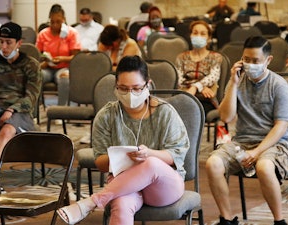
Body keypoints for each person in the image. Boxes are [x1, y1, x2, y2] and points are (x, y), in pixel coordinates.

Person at [56, 55, 189, 225]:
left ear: (148, 85)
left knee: (151, 163)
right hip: (123, 184)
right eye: (123, 88)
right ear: (115, 87)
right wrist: (120, 157)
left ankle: (91, 202)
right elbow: (101, 163)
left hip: (163, 187)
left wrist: (148, 154)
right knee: (121, 204)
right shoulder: (106, 115)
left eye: (136, 88)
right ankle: (92, 203)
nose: (130, 94)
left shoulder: (165, 112)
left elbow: (177, 155)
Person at [206, 36, 288, 225]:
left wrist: (257, 151)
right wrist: (234, 84)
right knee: (213, 163)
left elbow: (281, 126)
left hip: (274, 144)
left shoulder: (279, 85)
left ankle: (279, 221)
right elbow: (226, 117)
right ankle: (227, 219)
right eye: (246, 59)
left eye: (256, 61)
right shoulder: (237, 80)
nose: (250, 64)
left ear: (268, 60)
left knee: (264, 167)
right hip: (241, 142)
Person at [0, 22, 42, 194]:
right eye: (1, 41)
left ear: (19, 43)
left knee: (6, 132)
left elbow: (31, 96)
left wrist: (12, 109)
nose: (3, 47)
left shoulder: (31, 65)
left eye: (8, 42)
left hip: (21, 110)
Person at [36, 4, 81, 106]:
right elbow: (37, 54)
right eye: (52, 22)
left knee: (64, 78)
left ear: (64, 19)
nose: (55, 25)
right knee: (36, 76)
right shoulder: (43, 34)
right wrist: (44, 61)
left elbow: (77, 57)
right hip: (47, 68)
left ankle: (61, 110)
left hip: (64, 68)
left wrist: (62, 58)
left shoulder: (72, 33)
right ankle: (35, 109)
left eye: (58, 22)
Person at [175, 20, 222, 115]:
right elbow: (179, 80)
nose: (198, 36)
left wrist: (196, 87)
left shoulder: (216, 57)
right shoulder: (181, 57)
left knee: (194, 111)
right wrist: (200, 87)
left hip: (206, 99)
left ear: (209, 38)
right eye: (195, 33)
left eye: (203, 34)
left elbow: (213, 77)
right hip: (185, 97)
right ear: (190, 35)